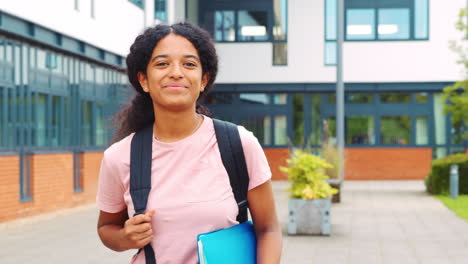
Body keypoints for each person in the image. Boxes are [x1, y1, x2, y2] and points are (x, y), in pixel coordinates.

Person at [96, 22, 282, 264]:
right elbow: (106, 228)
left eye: (189, 64)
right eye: (162, 63)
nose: (176, 72)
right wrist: (125, 237)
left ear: (204, 79)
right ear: (143, 80)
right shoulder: (120, 157)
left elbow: (268, 229)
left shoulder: (238, 144)